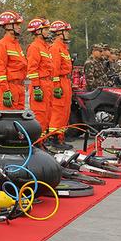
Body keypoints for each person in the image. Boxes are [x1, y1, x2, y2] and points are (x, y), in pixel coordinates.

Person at [47, 21, 73, 149]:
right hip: (60, 81)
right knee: (58, 110)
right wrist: (56, 86)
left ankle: (61, 137)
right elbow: (54, 69)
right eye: (66, 31)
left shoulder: (63, 48)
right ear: (59, 33)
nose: (68, 34)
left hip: (66, 81)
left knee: (65, 111)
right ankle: (54, 138)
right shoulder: (55, 48)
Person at [0, 11, 26, 110]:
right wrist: (5, 90)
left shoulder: (16, 45)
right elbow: (0, 69)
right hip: (9, 88)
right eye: (16, 24)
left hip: (20, 87)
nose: (19, 27)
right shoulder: (1, 45)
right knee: (8, 122)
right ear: (7, 26)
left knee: (20, 121)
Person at [26, 18, 53, 132]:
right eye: (45, 29)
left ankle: (43, 142)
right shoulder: (34, 47)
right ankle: (37, 143)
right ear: (37, 31)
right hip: (40, 84)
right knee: (40, 115)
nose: (48, 31)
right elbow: (32, 69)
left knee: (47, 114)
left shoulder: (45, 47)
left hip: (47, 84)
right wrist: (37, 87)